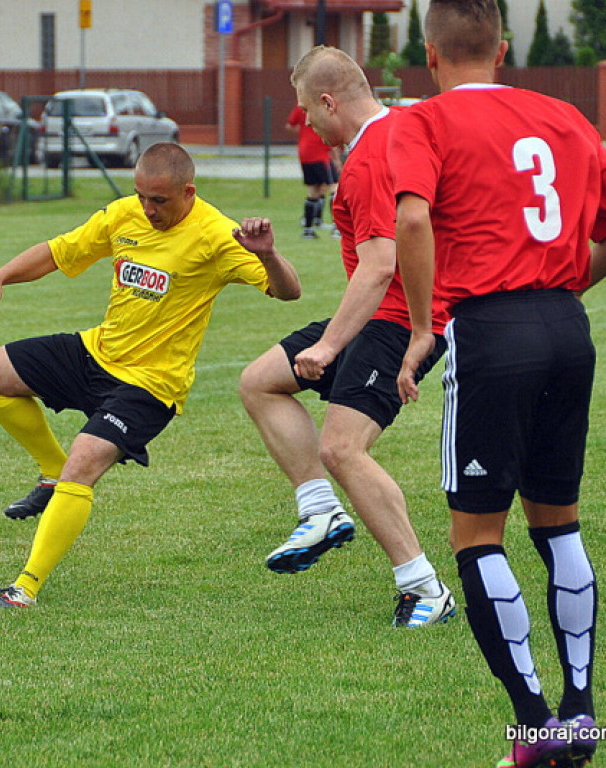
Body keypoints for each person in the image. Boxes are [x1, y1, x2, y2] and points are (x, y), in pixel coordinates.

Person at [390, 0, 606, 765]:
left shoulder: (423, 121)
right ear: (503, 49)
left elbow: (412, 221)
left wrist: (423, 329)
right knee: (559, 525)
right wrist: (562, 291)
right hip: (567, 325)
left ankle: (534, 726)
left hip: (490, 329)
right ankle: (581, 712)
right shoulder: (567, 118)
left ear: (430, 53)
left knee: (477, 536)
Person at [0, 142, 302, 608]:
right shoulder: (124, 214)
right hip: (98, 353)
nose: (147, 209)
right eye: (142, 196)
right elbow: (59, 252)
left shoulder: (215, 235)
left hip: (150, 385)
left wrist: (268, 255)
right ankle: (50, 471)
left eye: (159, 200)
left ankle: (24, 588)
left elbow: (288, 291)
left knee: (83, 463)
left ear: (188, 192)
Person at [240, 46, 456, 628]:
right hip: (379, 313)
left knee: (342, 448)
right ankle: (321, 512)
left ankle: (424, 587)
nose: (307, 122)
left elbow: (381, 263)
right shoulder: (400, 128)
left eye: (308, 109)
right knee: (260, 382)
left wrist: (330, 346)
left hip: (398, 320)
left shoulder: (367, 161)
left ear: (329, 102)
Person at [286, 104, 338, 239]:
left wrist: (304, 133)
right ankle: (337, 228)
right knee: (335, 188)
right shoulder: (324, 107)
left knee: (314, 190)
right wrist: (338, 161)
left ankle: (308, 230)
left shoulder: (302, 106)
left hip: (305, 152)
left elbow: (290, 125)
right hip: (320, 154)